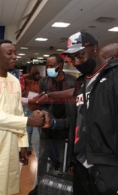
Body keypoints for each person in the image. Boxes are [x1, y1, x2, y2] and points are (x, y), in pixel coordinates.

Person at [0, 39, 45, 195]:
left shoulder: (14, 81)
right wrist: (28, 120)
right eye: (9, 53)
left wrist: (22, 144)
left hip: (12, 146)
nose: (14, 56)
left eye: (15, 53)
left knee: (11, 189)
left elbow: (18, 112)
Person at [60, 31, 118, 194]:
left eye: (80, 55)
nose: (76, 62)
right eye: (72, 58)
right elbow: (81, 118)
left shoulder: (114, 75)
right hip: (81, 162)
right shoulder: (81, 82)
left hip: (107, 165)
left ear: (94, 49)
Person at [29, 53, 76, 195]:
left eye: (51, 65)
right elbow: (42, 103)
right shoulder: (45, 81)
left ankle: (57, 187)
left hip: (64, 127)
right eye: (47, 65)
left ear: (60, 66)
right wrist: (45, 114)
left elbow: (74, 109)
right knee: (43, 156)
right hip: (46, 125)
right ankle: (41, 186)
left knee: (61, 159)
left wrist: (57, 121)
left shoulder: (72, 82)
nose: (48, 68)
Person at [24, 67, 41, 155]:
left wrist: (38, 74)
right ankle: (28, 148)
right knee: (28, 131)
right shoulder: (29, 83)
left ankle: (42, 149)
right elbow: (22, 77)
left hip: (39, 110)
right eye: (35, 74)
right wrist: (30, 74)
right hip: (30, 109)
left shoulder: (42, 82)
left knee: (40, 131)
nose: (37, 76)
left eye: (38, 74)